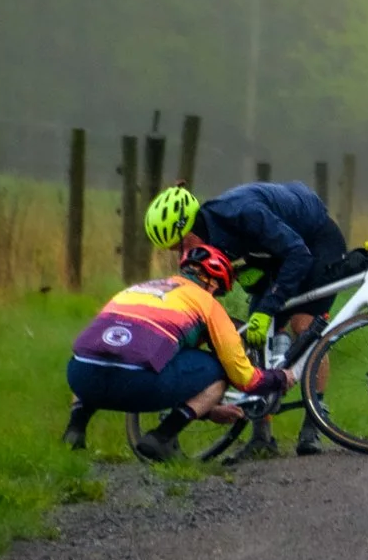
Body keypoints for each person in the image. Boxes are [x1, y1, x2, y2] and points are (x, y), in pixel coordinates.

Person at [144, 179, 349, 457]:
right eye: (173, 251)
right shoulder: (206, 238)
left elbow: (297, 254)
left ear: (191, 227)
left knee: (304, 324)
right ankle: (261, 437)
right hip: (281, 251)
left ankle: (313, 424)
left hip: (316, 241)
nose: (182, 254)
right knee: (255, 337)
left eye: (180, 245)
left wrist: (268, 307)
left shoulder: (243, 213)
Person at [61, 243, 290, 462]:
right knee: (221, 369)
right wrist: (279, 378)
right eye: (219, 291)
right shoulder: (207, 303)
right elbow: (244, 377)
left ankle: (75, 430)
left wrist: (209, 412)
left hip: (80, 376)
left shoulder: (134, 290)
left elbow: (98, 345)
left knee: (97, 353)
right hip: (138, 384)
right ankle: (162, 437)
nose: (216, 296)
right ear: (211, 283)